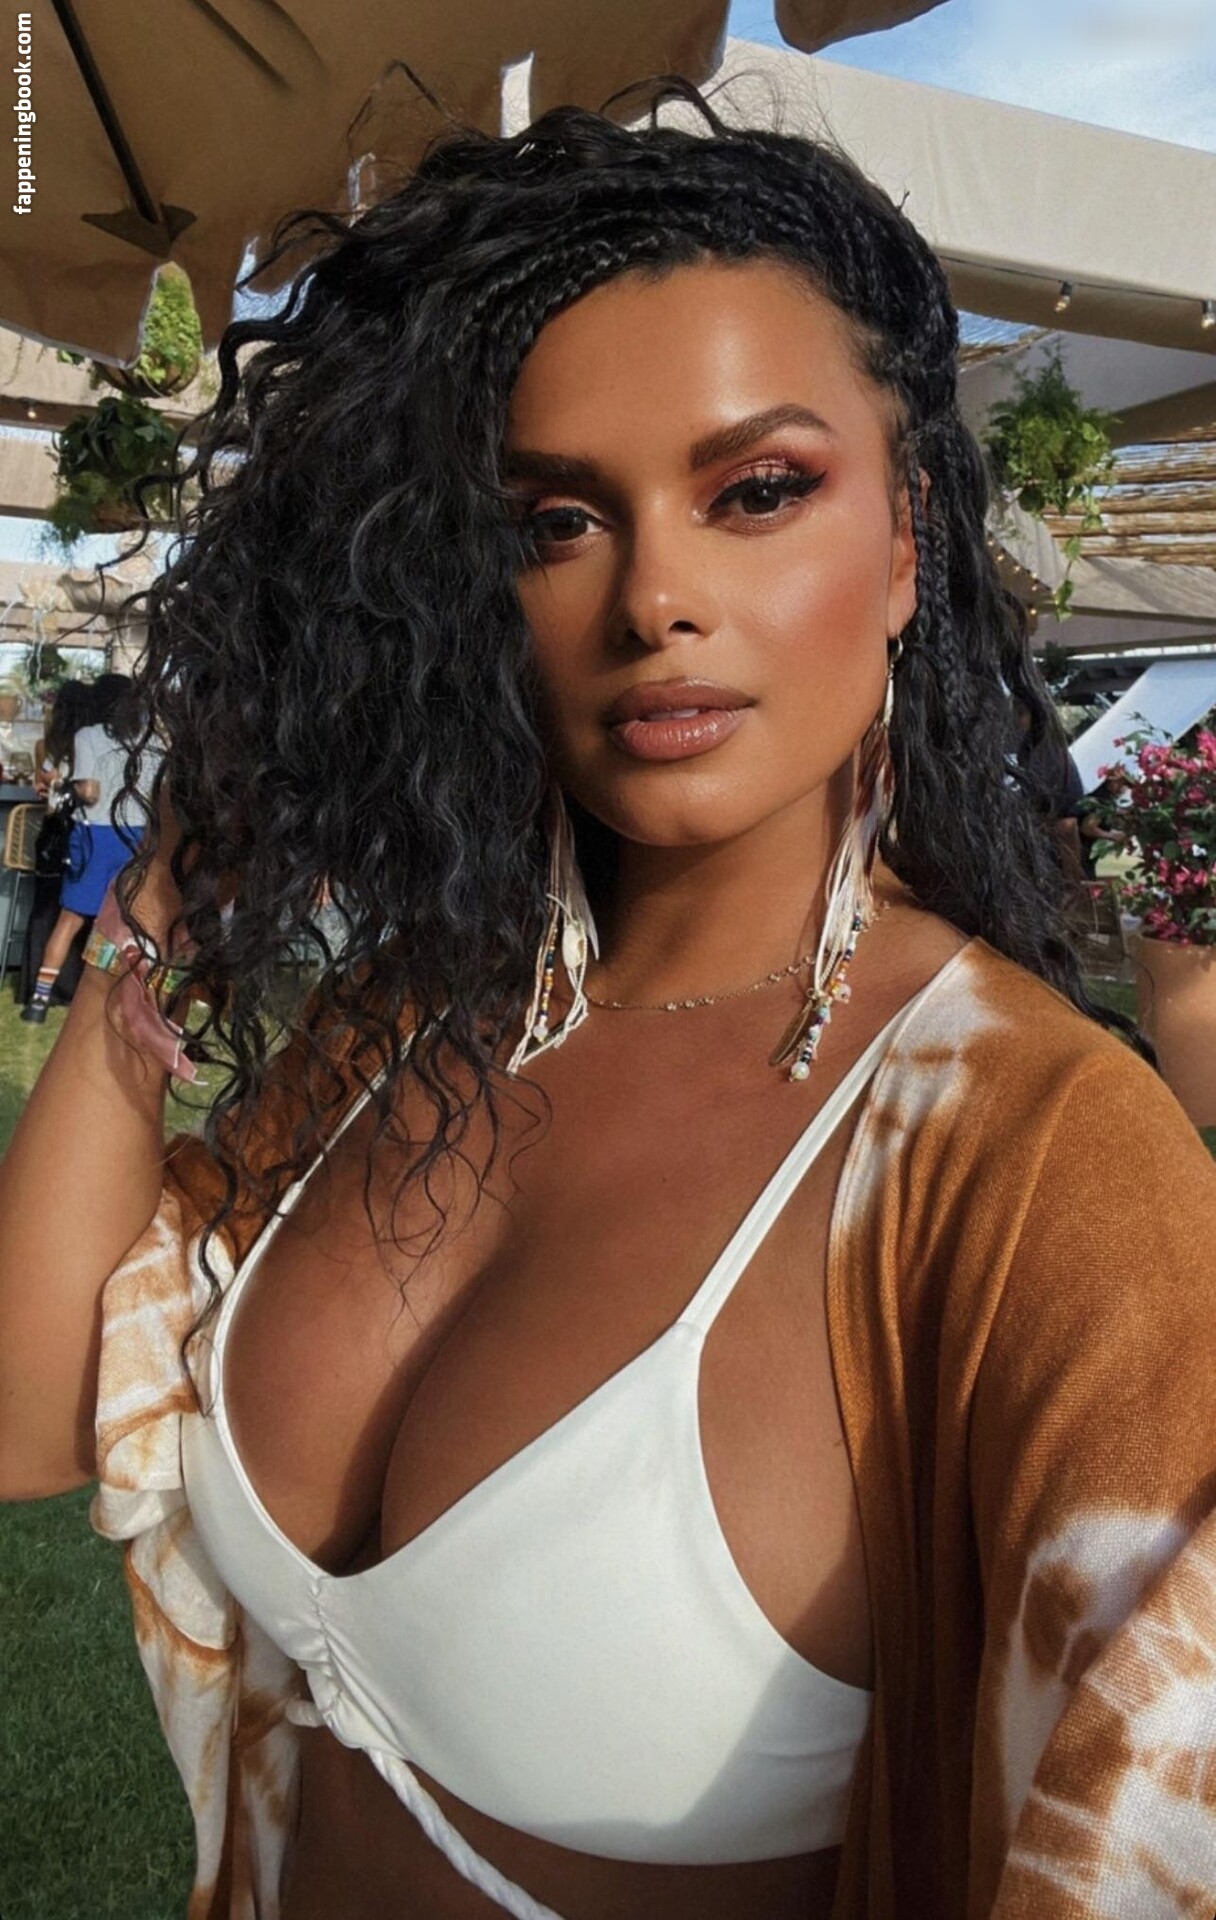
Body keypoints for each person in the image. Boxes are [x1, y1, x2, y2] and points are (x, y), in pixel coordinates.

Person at [2, 87, 1215, 1920]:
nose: (656, 597)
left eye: (758, 492)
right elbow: (33, 1418)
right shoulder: (416, 1023)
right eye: (558, 519)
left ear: (905, 545)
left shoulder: (1037, 1162)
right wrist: (154, 915)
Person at [19, 674, 158, 1024]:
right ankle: (130, 999)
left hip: (97, 835)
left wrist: (68, 788)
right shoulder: (152, 739)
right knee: (131, 923)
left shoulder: (89, 735)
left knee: (70, 920)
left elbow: (91, 791)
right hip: (140, 836)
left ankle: (39, 1002)